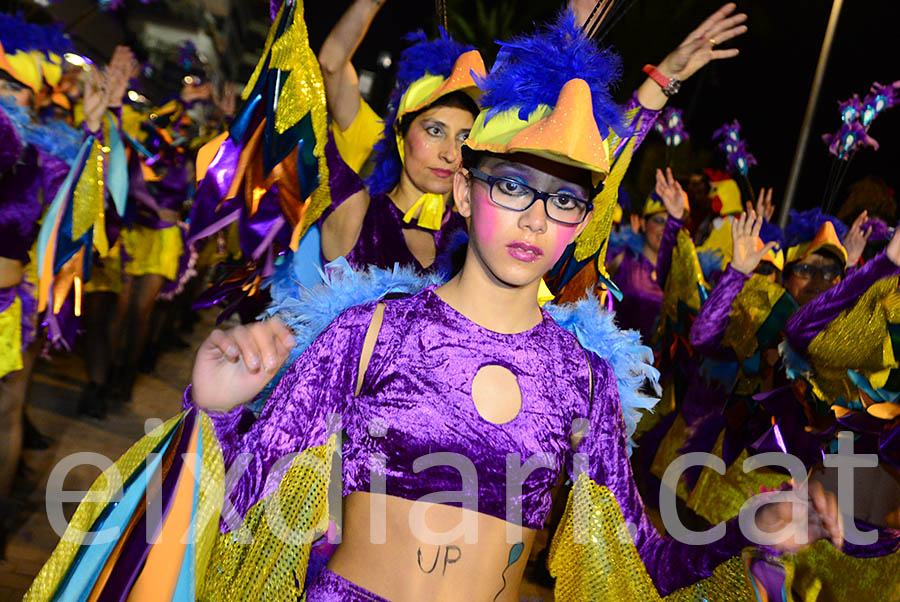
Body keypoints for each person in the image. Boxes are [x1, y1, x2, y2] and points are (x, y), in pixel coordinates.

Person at [29, 8, 844, 601]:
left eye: (563, 200)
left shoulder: (585, 378)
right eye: (512, 185)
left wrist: (746, 530)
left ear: (582, 221)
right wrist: (208, 415)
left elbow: (638, 563)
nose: (534, 216)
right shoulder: (369, 331)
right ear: (463, 189)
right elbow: (247, 496)